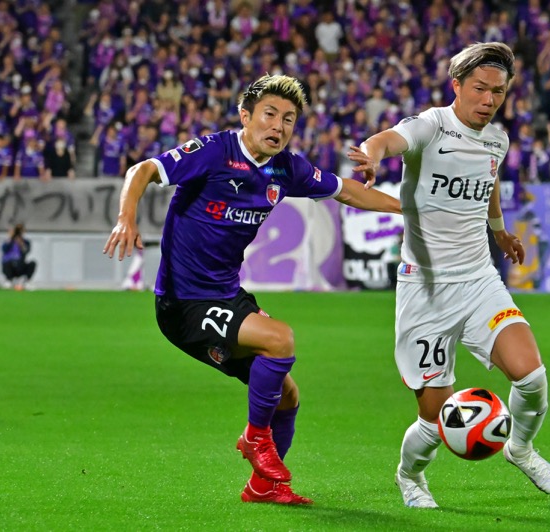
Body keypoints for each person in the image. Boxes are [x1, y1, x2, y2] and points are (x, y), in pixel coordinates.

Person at [103, 74, 400, 506]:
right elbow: (143, 169)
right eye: (269, 115)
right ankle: (255, 438)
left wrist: (411, 208)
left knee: (288, 394)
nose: (278, 126)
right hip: (183, 303)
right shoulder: (214, 152)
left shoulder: (287, 168)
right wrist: (125, 216)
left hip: (226, 295)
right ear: (246, 116)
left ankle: (264, 487)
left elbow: (348, 192)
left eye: (289, 119)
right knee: (280, 339)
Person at [348, 42, 550, 509]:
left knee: (532, 376)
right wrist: (371, 156)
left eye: (498, 92)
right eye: (480, 89)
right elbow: (387, 139)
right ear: (458, 86)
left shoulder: (497, 140)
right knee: (435, 420)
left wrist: (500, 231)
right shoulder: (431, 126)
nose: (488, 100)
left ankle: (520, 447)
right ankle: (411, 477)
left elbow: (488, 182)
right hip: (424, 289)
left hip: (478, 280)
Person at [1, 223, 36, 290]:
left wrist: (21, 244)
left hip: (21, 265)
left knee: (33, 263)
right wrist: (10, 237)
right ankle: (9, 281)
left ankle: (27, 282)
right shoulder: (9, 241)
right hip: (10, 265)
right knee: (6, 263)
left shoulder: (25, 242)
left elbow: (27, 251)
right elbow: (4, 249)